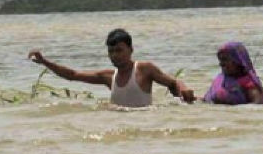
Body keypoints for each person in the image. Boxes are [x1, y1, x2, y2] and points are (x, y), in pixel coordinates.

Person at [28, 28, 195, 107]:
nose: (115, 55)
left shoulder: (144, 69)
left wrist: (183, 90)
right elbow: (73, 75)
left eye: (120, 50)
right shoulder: (108, 77)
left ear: (131, 50)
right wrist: (45, 62)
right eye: (111, 51)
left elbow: (173, 82)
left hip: (144, 123)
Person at [203, 41, 263, 105]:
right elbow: (208, 101)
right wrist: (194, 99)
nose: (221, 64)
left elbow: (258, 105)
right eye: (220, 60)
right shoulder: (221, 79)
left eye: (225, 59)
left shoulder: (248, 83)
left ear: (238, 61)